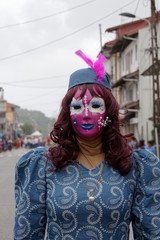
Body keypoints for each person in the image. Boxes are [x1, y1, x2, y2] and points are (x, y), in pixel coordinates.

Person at [14, 50, 160, 240]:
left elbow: (151, 233)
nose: (85, 114)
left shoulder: (137, 166)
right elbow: (27, 233)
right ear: (67, 113)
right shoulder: (42, 165)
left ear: (109, 113)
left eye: (95, 106)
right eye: (77, 107)